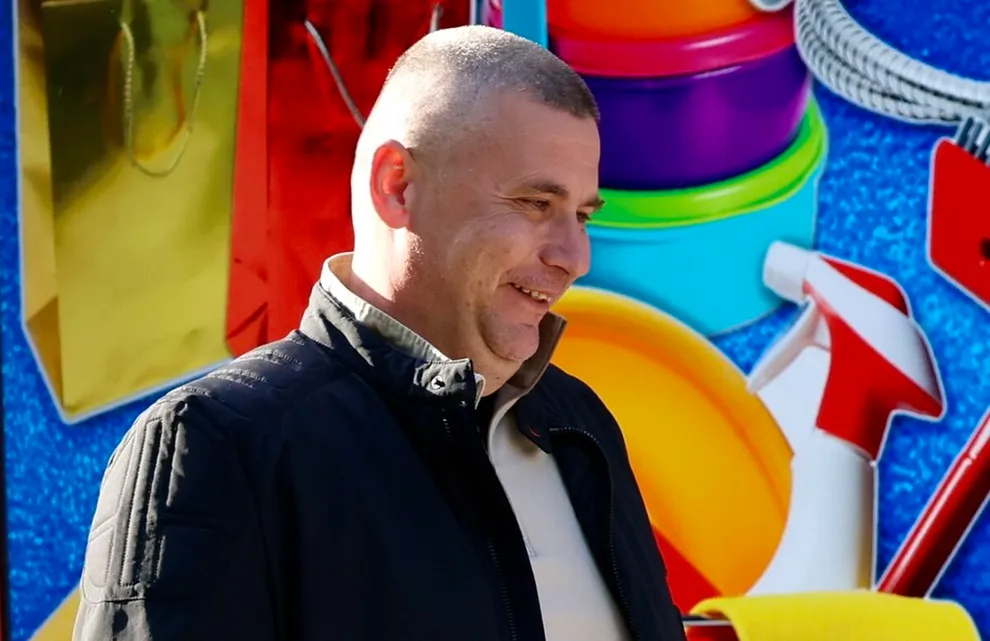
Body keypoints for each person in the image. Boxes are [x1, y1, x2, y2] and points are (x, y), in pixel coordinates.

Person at [73, 25, 686, 641]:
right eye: (535, 203)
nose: (574, 257)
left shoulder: (581, 425)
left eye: (581, 215)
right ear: (397, 186)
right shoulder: (214, 444)